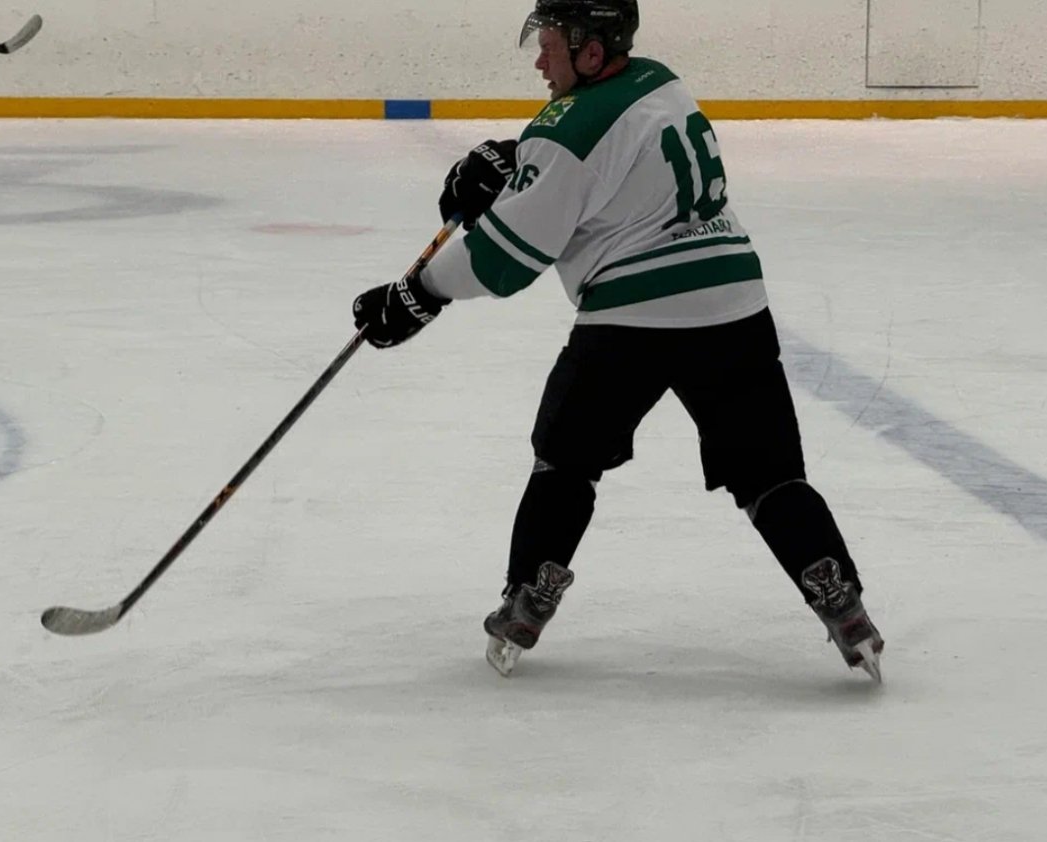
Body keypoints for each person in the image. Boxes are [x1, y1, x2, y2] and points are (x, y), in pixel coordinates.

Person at [352, 0, 884, 681]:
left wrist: (417, 292)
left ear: (592, 51)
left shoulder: (565, 130)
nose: (539, 61)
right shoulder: (661, 81)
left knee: (565, 461)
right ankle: (839, 597)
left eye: (549, 45)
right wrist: (520, 163)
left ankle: (529, 596)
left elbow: (504, 261)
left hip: (631, 319)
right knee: (771, 474)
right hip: (735, 304)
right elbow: (614, 161)